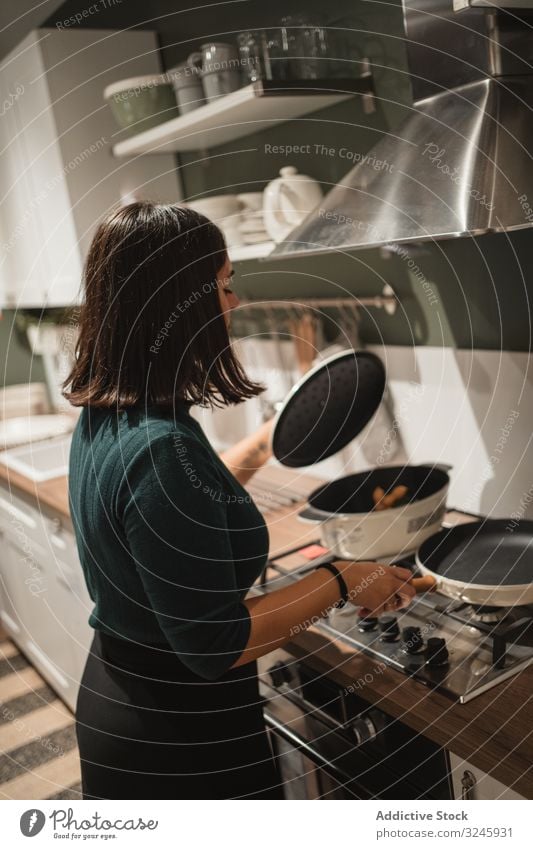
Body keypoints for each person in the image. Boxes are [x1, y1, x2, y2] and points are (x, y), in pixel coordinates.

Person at [65, 201, 415, 801]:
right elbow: (215, 647)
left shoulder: (116, 413)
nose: (234, 303)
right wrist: (346, 578)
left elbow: (174, 501)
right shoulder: (159, 445)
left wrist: (265, 441)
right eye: (223, 286)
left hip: (128, 698)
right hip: (180, 740)